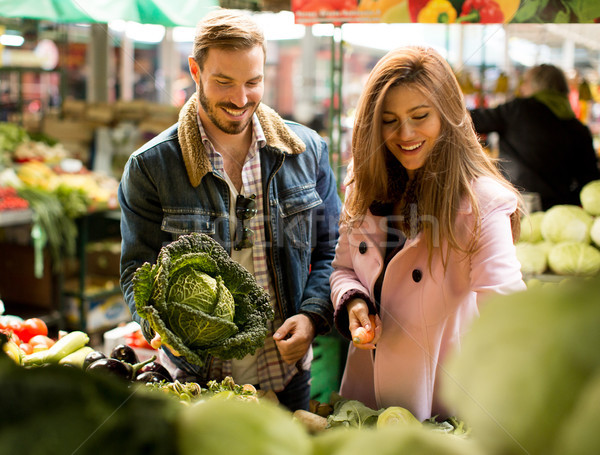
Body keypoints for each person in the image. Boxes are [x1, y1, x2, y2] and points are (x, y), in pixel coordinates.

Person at [118, 9, 341, 412]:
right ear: (195, 71)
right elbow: (137, 270)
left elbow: (331, 250)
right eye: (224, 82)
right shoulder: (151, 167)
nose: (241, 99)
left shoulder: (306, 153)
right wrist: (164, 329)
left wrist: (311, 316)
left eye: (252, 82)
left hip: (287, 378)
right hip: (193, 383)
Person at [329, 46, 526, 421]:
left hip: (441, 403)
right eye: (389, 120)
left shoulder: (481, 202)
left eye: (420, 116)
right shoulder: (365, 182)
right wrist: (356, 304)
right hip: (366, 399)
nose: (405, 134)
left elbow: (509, 310)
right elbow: (343, 270)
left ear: (448, 115)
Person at [470, 63, 600, 211]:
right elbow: (590, 181)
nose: (521, 88)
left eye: (525, 82)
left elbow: (471, 120)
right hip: (557, 213)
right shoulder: (578, 128)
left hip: (515, 205)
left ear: (536, 85)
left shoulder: (518, 110)